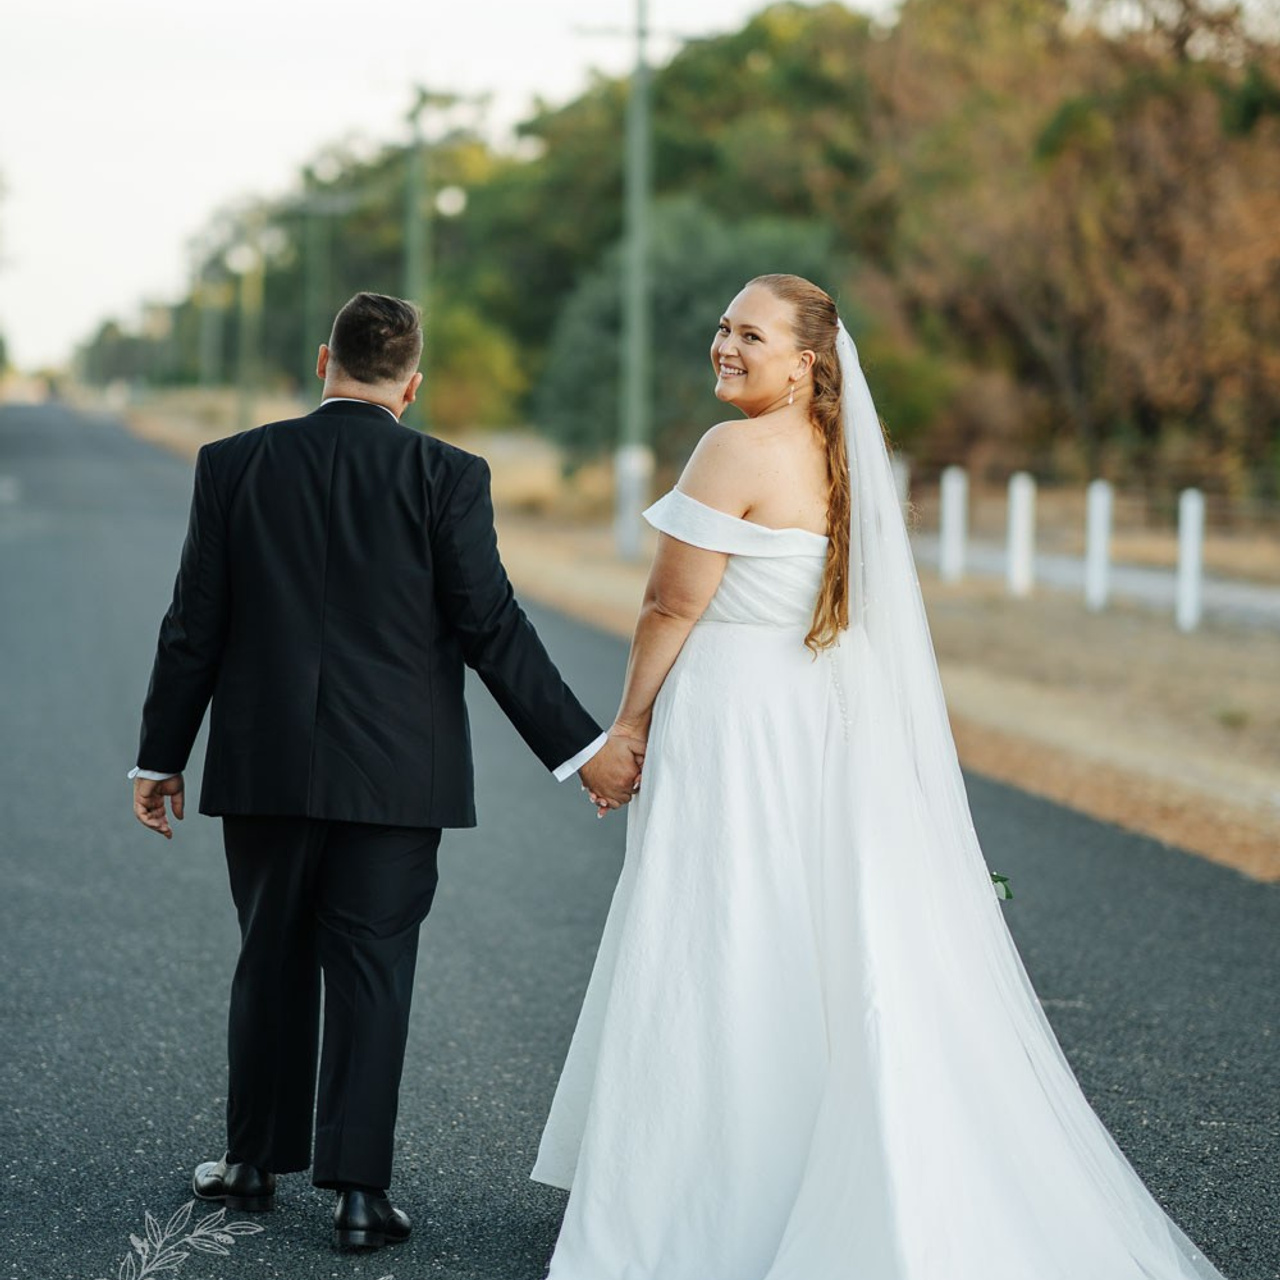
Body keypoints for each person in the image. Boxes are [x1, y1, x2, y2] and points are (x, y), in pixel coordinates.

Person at [532, 274, 1232, 1279]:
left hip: (736, 720)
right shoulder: (846, 457)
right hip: (817, 716)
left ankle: (701, 1198)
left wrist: (629, 725)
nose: (725, 345)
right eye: (724, 328)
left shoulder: (731, 449)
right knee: (809, 937)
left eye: (751, 334)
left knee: (722, 928)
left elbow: (669, 604)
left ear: (804, 360)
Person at [129, 292, 643, 1253]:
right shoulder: (449, 474)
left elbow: (194, 623)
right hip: (398, 777)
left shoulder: (234, 463)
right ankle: (359, 1197)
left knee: (270, 954)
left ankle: (250, 1164)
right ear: (413, 384)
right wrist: (584, 752)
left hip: (266, 765)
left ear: (323, 360)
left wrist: (160, 756)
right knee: (373, 970)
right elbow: (491, 624)